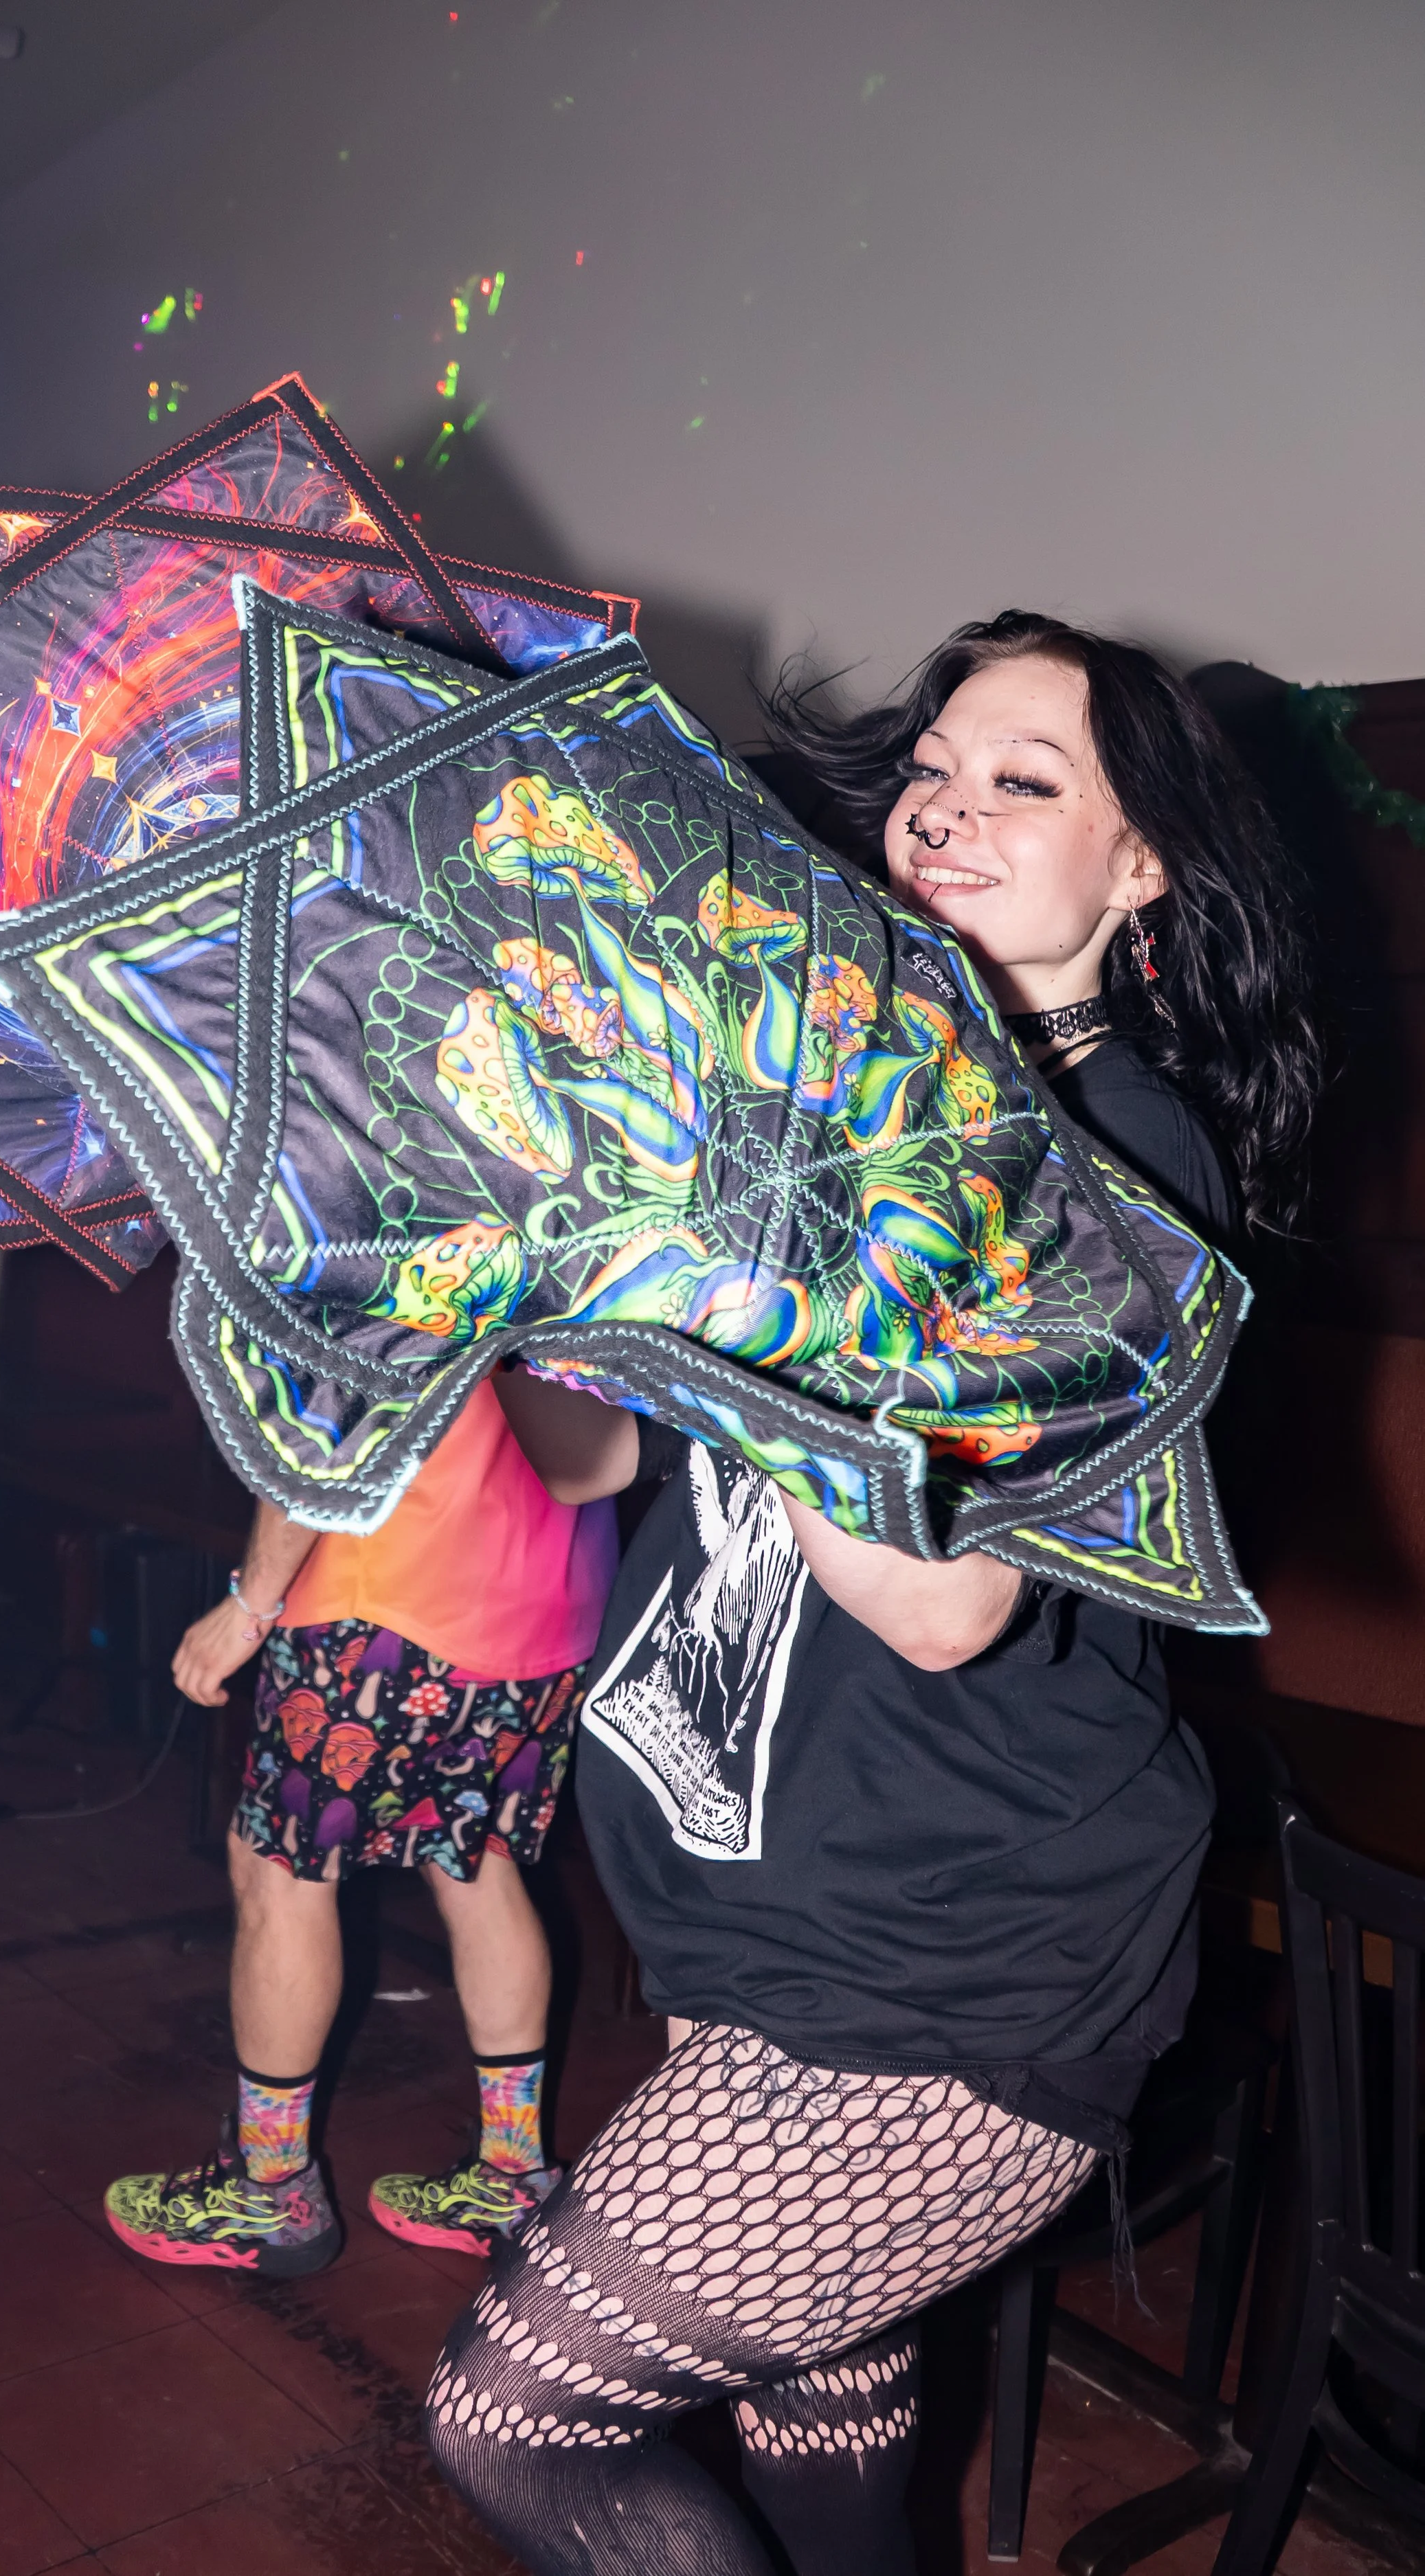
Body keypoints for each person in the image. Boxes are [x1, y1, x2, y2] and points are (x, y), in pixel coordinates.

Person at [425, 611, 1322, 2574]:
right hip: (764, 1909)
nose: (946, 807)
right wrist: (502, 1315)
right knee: (815, 2405)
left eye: (1027, 780)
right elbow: (610, 1467)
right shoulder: (826, 1095)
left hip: (954, 1957)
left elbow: (941, 1607)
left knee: (519, 2411)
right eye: (935, 763)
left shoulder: (1107, 1153)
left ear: (1143, 862)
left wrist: (735, 1285)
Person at [103, 1374, 618, 2274]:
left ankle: (269, 2192)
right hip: (552, 1592)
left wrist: (249, 1604)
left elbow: (322, 1428)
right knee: (481, 1861)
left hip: (384, 1590)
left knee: (282, 1869)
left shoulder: (387, 1230)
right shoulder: (585, 1231)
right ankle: (512, 2172)